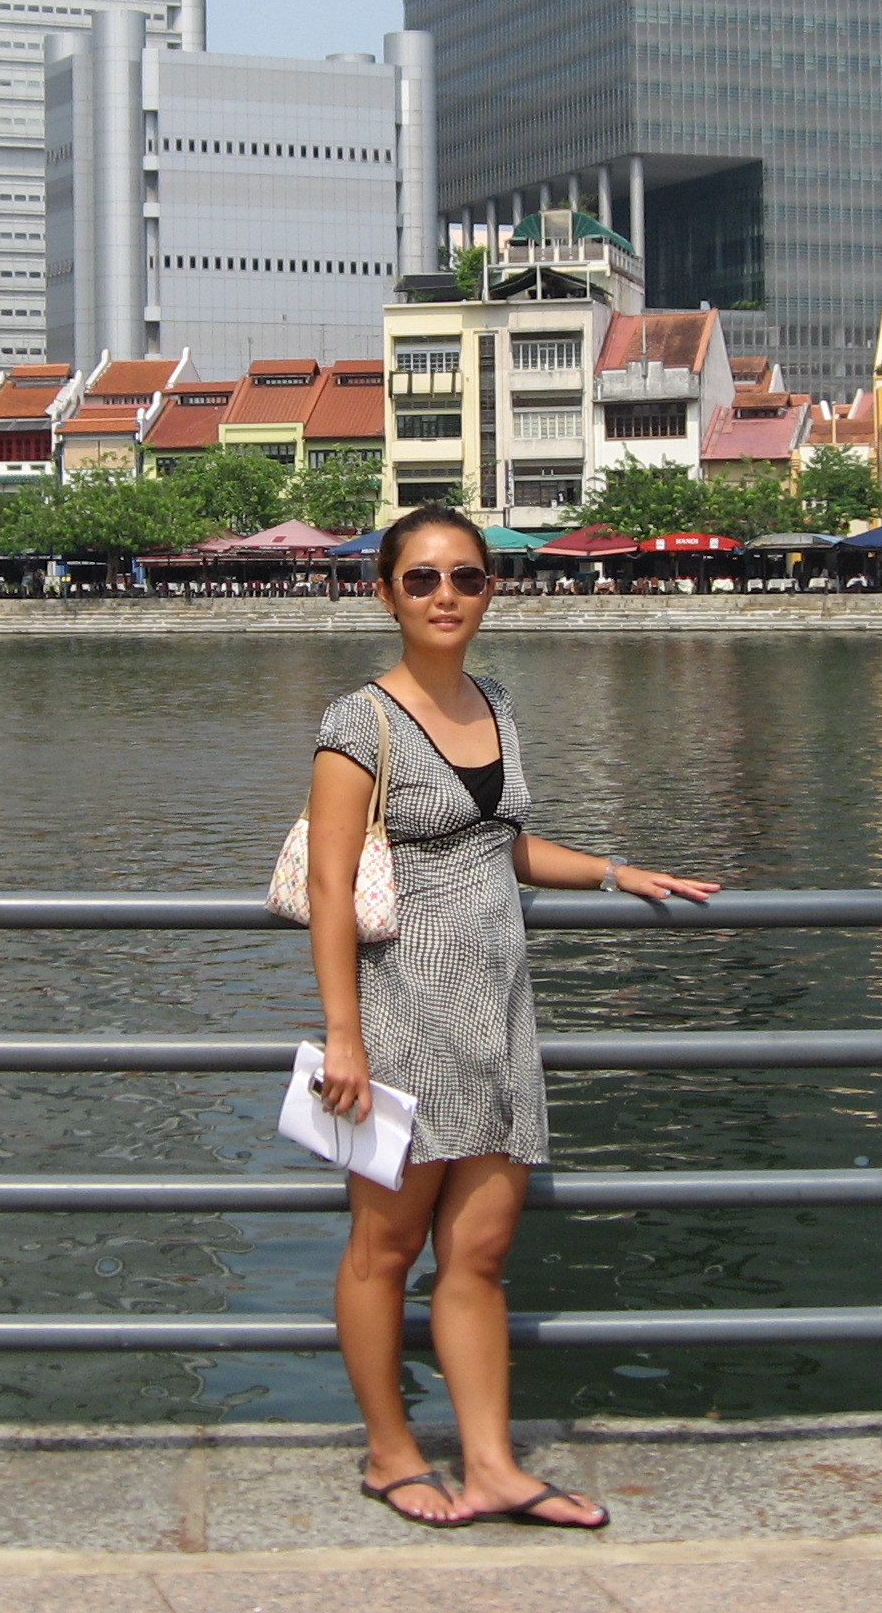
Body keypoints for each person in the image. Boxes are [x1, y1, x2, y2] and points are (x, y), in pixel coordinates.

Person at [302, 503, 718, 1530]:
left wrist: (619, 872)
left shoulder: (495, 701)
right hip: (400, 1018)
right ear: (385, 594)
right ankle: (390, 1453)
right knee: (383, 1250)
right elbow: (327, 882)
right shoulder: (358, 722)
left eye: (466, 577)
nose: (445, 596)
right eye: (421, 579)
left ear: (490, 589)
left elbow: (504, 845)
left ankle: (491, 1465)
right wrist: (344, 1034)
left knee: (479, 1255)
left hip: (497, 1019)